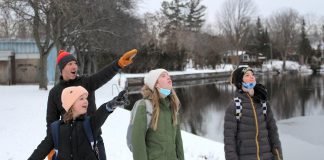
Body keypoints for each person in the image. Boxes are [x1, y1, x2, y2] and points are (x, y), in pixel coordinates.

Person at [46, 49, 137, 160]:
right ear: (62, 68)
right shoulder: (55, 92)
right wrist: (50, 146)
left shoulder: (86, 82)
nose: (74, 66)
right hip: (70, 145)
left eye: (75, 63)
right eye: (70, 64)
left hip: (94, 140)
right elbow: (51, 122)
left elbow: (103, 75)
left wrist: (119, 63)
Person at [29, 86, 126, 160]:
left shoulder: (90, 123)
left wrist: (110, 105)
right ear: (70, 104)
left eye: (86, 98)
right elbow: (41, 150)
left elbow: (100, 114)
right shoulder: (56, 128)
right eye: (81, 99)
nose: (86, 101)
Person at [224, 67, 283, 160]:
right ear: (240, 81)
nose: (252, 77)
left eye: (252, 75)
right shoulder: (235, 106)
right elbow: (229, 140)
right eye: (247, 75)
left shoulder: (263, 102)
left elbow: (273, 133)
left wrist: (278, 157)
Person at [131, 68, 184, 160]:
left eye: (168, 76)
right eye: (163, 76)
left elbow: (178, 141)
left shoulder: (172, 106)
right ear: (155, 84)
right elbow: (138, 142)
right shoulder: (144, 106)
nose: (168, 78)